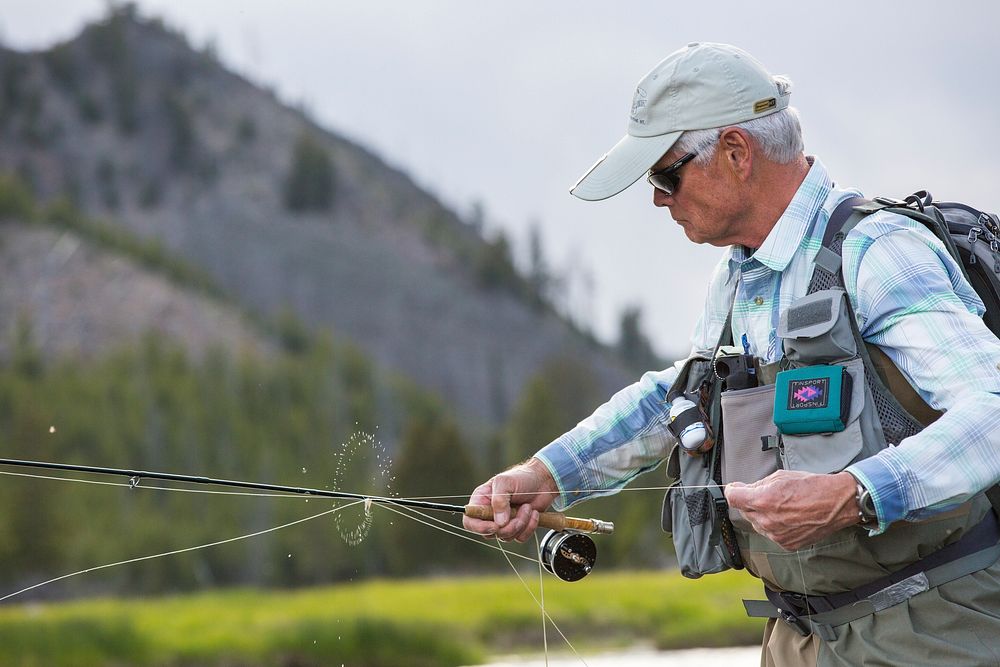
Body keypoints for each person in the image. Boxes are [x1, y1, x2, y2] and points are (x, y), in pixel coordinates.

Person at [464, 42, 1000, 666]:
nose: (659, 199)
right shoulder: (739, 275)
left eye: (666, 176)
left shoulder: (879, 253)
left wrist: (854, 493)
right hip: (799, 636)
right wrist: (547, 477)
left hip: (931, 632)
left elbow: (992, 406)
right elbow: (682, 397)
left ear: (737, 153)